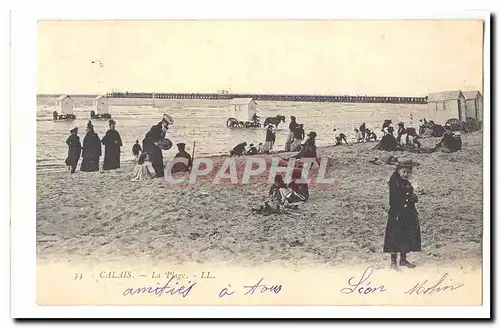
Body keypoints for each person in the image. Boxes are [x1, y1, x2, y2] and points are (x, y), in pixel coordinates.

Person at [383, 159, 421, 269]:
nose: (405, 174)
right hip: (397, 213)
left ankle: (403, 259)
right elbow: (396, 197)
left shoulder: (408, 181)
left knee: (406, 235)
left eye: (408, 172)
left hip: (408, 212)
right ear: (399, 170)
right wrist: (410, 197)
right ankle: (393, 261)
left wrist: (413, 197)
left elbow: (410, 191)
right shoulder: (394, 181)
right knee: (395, 236)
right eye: (403, 172)